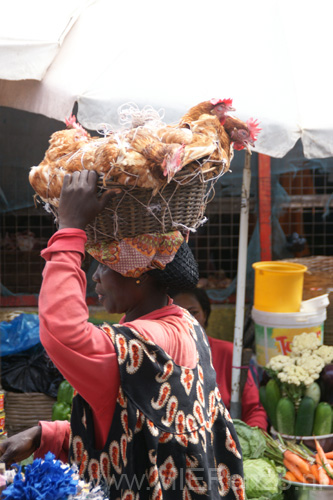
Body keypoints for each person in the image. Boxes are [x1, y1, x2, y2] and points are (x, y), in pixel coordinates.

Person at [0, 170, 244, 499]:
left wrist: (70, 229)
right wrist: (49, 435)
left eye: (106, 265)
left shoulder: (138, 346)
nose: (96, 277)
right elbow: (141, 426)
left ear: (139, 275)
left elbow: (62, 331)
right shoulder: (184, 324)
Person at [170, 288, 267, 430]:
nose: (186, 320)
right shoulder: (158, 356)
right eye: (177, 313)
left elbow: (254, 410)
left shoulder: (229, 353)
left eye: (194, 312)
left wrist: (249, 442)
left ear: (205, 315)